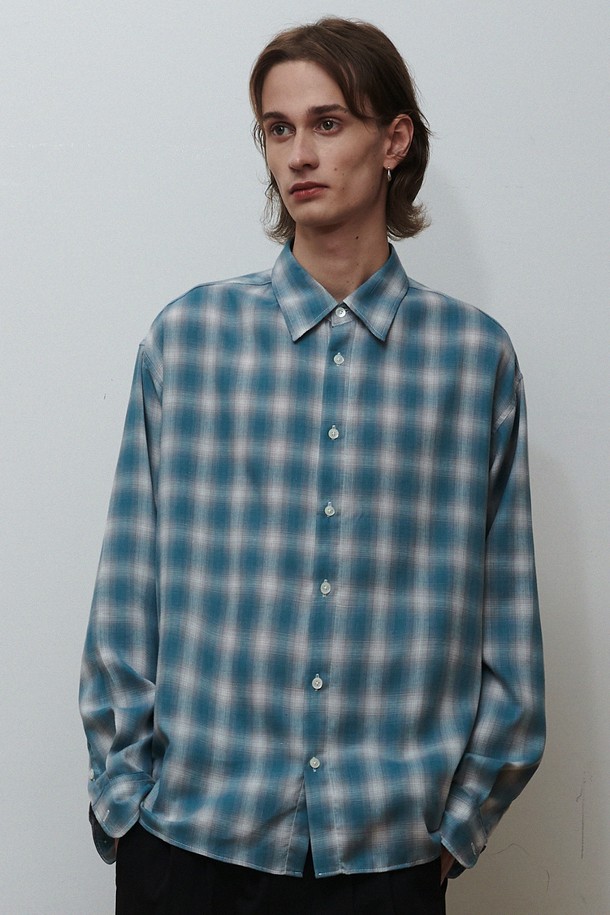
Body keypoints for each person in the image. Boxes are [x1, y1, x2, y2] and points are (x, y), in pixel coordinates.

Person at [80, 17, 545, 914]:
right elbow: (126, 594)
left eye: (328, 123)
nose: (298, 154)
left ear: (394, 140)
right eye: (278, 128)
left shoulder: (472, 360)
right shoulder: (190, 339)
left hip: (386, 859)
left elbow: (510, 624)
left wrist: (456, 829)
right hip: (188, 845)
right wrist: (123, 803)